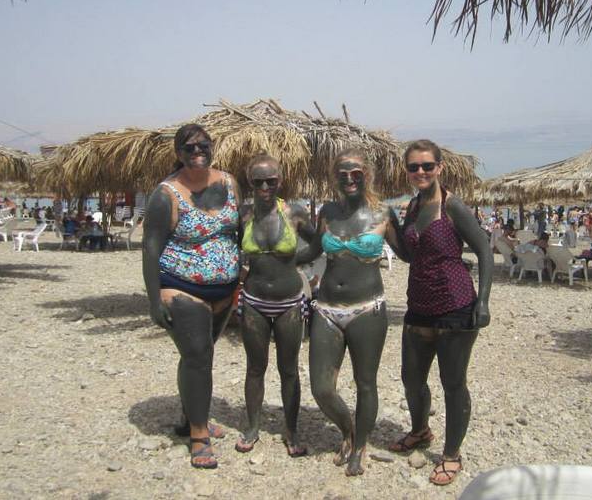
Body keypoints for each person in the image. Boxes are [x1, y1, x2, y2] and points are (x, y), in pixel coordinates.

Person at [389, 139, 493, 487]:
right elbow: (408, 255)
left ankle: (451, 454)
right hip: (418, 304)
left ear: (439, 168)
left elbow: (485, 251)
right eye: (413, 167)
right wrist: (389, 226)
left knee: (453, 384)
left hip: (456, 304)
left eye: (427, 166)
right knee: (411, 379)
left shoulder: (453, 207)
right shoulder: (412, 208)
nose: (420, 172)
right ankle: (420, 431)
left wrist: (484, 302)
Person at [296, 148, 403, 476]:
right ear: (334, 177)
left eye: (356, 172)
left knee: (365, 383)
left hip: (367, 308)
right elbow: (312, 249)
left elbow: (409, 251)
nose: (349, 178)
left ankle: (360, 446)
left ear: (367, 174)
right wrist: (270, 254)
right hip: (326, 308)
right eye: (342, 173)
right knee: (321, 388)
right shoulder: (327, 211)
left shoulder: (384, 213)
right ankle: (348, 429)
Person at [142, 124, 240, 469]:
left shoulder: (229, 183)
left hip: (225, 290)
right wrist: (154, 300)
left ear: (213, 147)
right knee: (197, 355)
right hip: (180, 285)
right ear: (178, 153)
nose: (197, 150)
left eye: (203, 144)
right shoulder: (166, 194)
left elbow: (238, 230)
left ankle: (189, 416)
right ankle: (199, 434)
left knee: (203, 356)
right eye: (189, 147)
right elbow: (151, 247)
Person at [235, 154, 315, 457]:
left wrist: (297, 260)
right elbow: (228, 246)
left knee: (289, 369)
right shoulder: (243, 215)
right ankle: (253, 426)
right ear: (250, 183)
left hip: (290, 301)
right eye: (259, 181)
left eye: (272, 180)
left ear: (281, 180)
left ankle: (291, 430)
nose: (266, 186)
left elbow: (318, 242)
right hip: (254, 300)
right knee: (255, 368)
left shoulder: (294, 212)